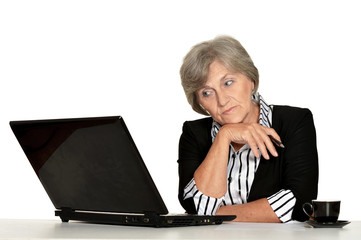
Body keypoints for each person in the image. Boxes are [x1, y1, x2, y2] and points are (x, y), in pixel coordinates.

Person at [177, 35, 318, 223]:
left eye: (228, 83)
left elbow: (299, 203)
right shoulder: (193, 134)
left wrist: (215, 215)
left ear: (251, 79)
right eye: (206, 93)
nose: (222, 100)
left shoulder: (295, 122)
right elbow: (193, 203)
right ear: (200, 103)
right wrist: (224, 135)